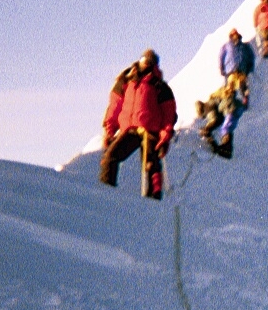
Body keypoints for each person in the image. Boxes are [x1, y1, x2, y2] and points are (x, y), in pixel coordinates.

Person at [99, 49, 178, 199]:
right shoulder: (126, 80)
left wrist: (165, 136)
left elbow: (169, 114)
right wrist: (109, 130)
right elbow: (114, 106)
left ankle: (153, 200)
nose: (146, 63)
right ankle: (105, 195)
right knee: (110, 157)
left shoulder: (159, 85)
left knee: (151, 166)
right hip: (131, 130)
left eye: (149, 61)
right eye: (145, 60)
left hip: (150, 132)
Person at [196, 72, 249, 159]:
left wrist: (207, 129)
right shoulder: (213, 101)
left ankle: (227, 148)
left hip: (230, 107)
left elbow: (215, 118)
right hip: (233, 106)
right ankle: (227, 148)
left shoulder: (208, 107)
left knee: (226, 127)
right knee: (227, 127)